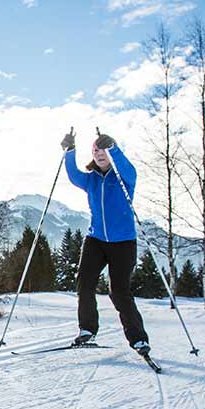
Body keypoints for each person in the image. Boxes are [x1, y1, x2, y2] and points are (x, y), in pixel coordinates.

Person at [59, 130, 151, 357]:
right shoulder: (91, 179)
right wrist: (70, 151)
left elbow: (128, 168)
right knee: (84, 284)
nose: (99, 153)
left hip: (123, 242)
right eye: (96, 150)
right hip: (96, 240)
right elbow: (73, 175)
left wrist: (113, 147)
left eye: (103, 149)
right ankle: (87, 329)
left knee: (119, 292)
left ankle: (138, 339)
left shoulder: (124, 177)